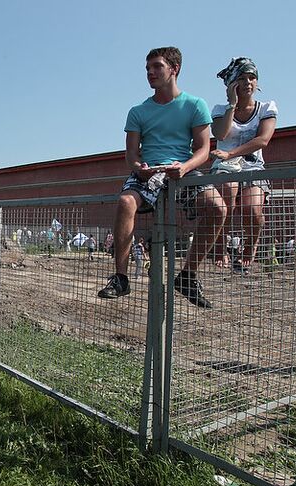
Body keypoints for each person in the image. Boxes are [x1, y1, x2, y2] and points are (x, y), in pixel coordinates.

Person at [98, 47, 223, 308]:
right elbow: (131, 154)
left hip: (183, 169)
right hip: (149, 170)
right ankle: (121, 277)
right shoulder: (138, 111)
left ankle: (187, 276)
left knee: (218, 208)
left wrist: (186, 166)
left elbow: (203, 149)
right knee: (125, 202)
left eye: (157, 67)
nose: (150, 73)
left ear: (174, 69)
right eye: (147, 68)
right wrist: (138, 167)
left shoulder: (194, 104)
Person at [209, 57, 277, 271]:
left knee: (252, 208)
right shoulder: (220, 109)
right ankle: (220, 245)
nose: (248, 82)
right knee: (226, 197)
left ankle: (250, 245)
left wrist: (230, 153)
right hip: (225, 166)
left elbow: (262, 140)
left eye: (251, 77)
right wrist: (232, 104)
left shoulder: (266, 107)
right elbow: (221, 133)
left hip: (251, 165)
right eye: (241, 78)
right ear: (232, 84)